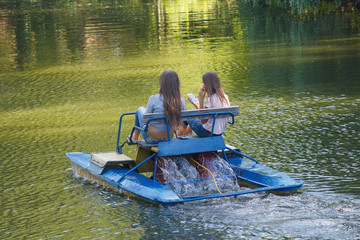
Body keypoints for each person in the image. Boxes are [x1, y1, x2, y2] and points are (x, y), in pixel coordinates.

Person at [129, 71, 185, 144]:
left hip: (151, 138)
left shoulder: (153, 99)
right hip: (168, 137)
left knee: (140, 109)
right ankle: (135, 137)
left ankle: (135, 138)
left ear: (162, 84)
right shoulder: (181, 100)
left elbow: (145, 121)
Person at [179, 71, 230, 137]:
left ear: (208, 85)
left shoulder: (210, 99)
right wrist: (198, 105)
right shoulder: (225, 97)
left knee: (185, 114)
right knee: (194, 117)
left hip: (206, 132)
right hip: (219, 133)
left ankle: (180, 138)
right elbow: (205, 116)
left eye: (204, 83)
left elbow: (203, 121)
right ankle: (184, 135)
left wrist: (201, 99)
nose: (203, 85)